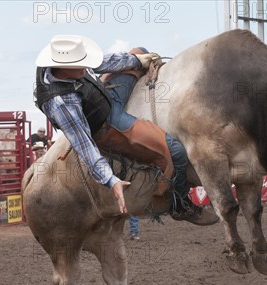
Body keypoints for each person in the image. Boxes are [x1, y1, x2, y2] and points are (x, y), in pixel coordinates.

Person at [35, 35, 217, 224]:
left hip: (104, 95)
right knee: (177, 152)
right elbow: (84, 145)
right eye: (80, 64)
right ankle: (180, 205)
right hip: (107, 124)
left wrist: (136, 60)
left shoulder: (65, 67)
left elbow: (99, 62)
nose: (85, 65)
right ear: (64, 67)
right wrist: (111, 180)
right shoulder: (60, 103)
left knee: (141, 51)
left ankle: (139, 60)